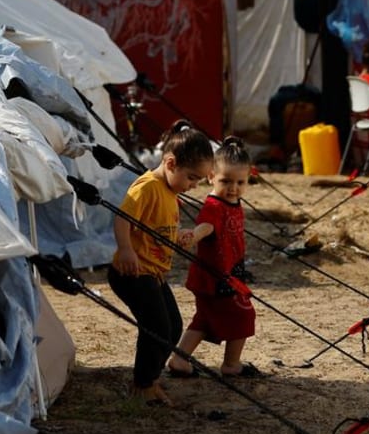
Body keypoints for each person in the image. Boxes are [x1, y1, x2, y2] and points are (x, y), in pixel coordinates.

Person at [108, 120, 215, 407]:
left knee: (173, 327)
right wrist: (126, 249)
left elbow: (155, 226)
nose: (194, 186)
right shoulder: (147, 187)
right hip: (131, 272)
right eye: (192, 178)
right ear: (170, 163)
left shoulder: (170, 192)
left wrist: (178, 236)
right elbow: (122, 219)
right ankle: (142, 384)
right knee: (156, 326)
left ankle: (150, 379)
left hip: (153, 273)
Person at [166, 136, 261, 379]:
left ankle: (179, 359)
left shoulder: (233, 201)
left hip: (224, 274)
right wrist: (194, 235)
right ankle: (231, 364)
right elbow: (207, 226)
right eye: (226, 181)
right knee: (243, 315)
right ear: (210, 177)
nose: (233, 188)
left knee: (204, 319)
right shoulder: (214, 206)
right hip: (216, 278)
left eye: (240, 182)